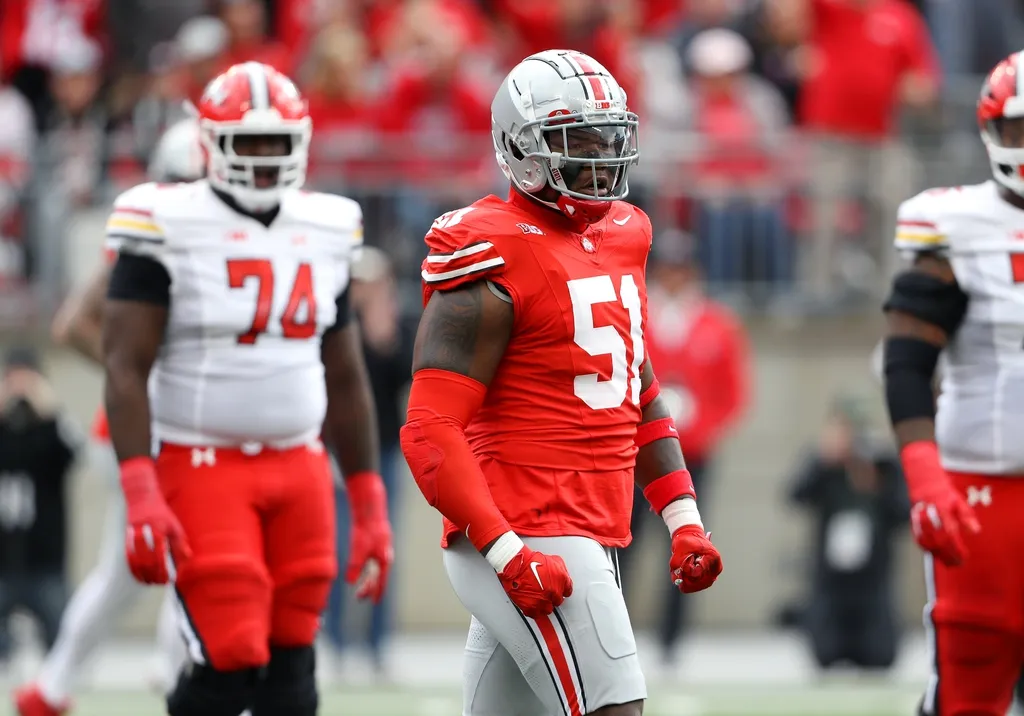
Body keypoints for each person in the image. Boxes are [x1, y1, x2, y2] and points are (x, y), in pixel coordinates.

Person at [399, 49, 723, 716]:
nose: (600, 156)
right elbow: (429, 431)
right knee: (616, 708)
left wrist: (683, 517)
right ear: (522, 149)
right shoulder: (490, 249)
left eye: (607, 137)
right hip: (527, 528)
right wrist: (507, 552)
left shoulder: (626, 233)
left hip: (584, 525)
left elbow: (635, 391)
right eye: (578, 140)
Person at [100, 62, 393, 716]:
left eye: (276, 143)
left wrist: (369, 502)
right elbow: (124, 365)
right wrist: (140, 490)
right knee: (230, 655)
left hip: (300, 464)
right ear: (210, 143)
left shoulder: (327, 225)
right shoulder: (165, 219)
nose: (263, 158)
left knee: (294, 665)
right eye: (248, 142)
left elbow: (345, 374)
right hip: (203, 461)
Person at [13, 117, 206, 716]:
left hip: (158, 427)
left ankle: (54, 686)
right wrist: (142, 372)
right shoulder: (153, 236)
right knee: (189, 556)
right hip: (143, 430)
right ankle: (170, 678)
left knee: (139, 569)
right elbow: (73, 324)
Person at [882, 50, 1024, 716]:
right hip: (983, 489)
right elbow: (908, 360)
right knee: (970, 685)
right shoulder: (957, 224)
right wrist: (925, 476)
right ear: (993, 131)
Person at [616, 229, 749, 665]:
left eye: (682, 268)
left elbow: (734, 395)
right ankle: (616, 632)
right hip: (636, 454)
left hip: (692, 456)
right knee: (625, 543)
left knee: (688, 543)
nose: (675, 277)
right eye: (668, 268)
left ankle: (672, 640)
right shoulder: (638, 314)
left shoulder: (717, 324)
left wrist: (699, 430)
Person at [323, 246, 414, 672]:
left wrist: (385, 336)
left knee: (383, 549)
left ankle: (378, 644)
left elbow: (404, 376)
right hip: (341, 454)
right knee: (338, 550)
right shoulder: (333, 323)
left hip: (383, 453)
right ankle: (336, 642)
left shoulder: (390, 324)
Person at [789, 397, 908, 671]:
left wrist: (878, 484)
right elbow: (795, 496)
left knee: (880, 655)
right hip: (831, 576)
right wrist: (823, 463)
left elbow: (903, 513)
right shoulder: (824, 462)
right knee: (825, 653)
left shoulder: (884, 465)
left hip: (873, 576)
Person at [0, 348, 82, 664]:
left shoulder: (51, 427)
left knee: (62, 645)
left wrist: (49, 410)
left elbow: (76, 451)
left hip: (46, 559)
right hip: (3, 559)